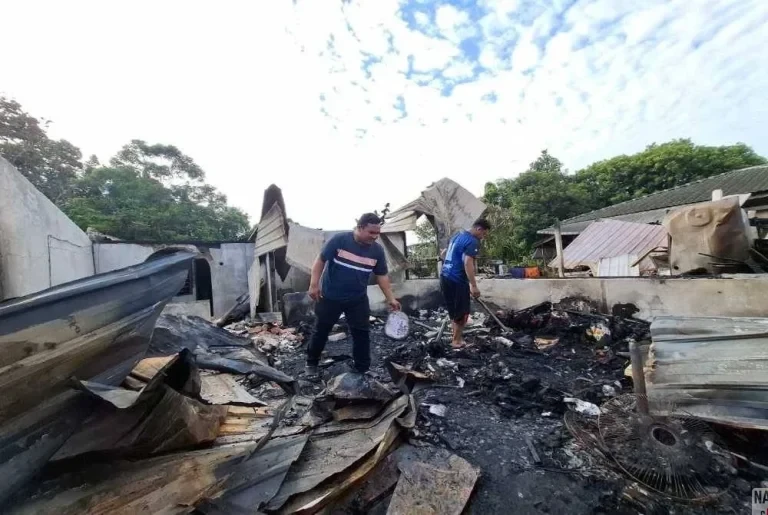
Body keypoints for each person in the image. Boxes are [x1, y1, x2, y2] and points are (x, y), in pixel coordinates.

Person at [305, 213, 402, 378]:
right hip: (330, 297)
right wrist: (314, 285)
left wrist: (391, 298)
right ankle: (311, 364)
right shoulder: (340, 240)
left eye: (377, 232)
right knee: (321, 330)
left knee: (362, 333)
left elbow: (382, 276)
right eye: (371, 232)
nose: (375, 236)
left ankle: (362, 369)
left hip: (357, 299)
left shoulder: (377, 251)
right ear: (360, 227)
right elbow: (320, 260)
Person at [439, 218, 491, 349]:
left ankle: (455, 338)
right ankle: (456, 341)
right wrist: (473, 286)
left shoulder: (458, 235)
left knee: (454, 311)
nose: (483, 237)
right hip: (457, 279)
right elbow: (468, 262)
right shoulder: (473, 241)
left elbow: (444, 253)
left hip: (445, 276)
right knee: (462, 313)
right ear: (479, 229)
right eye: (484, 234)